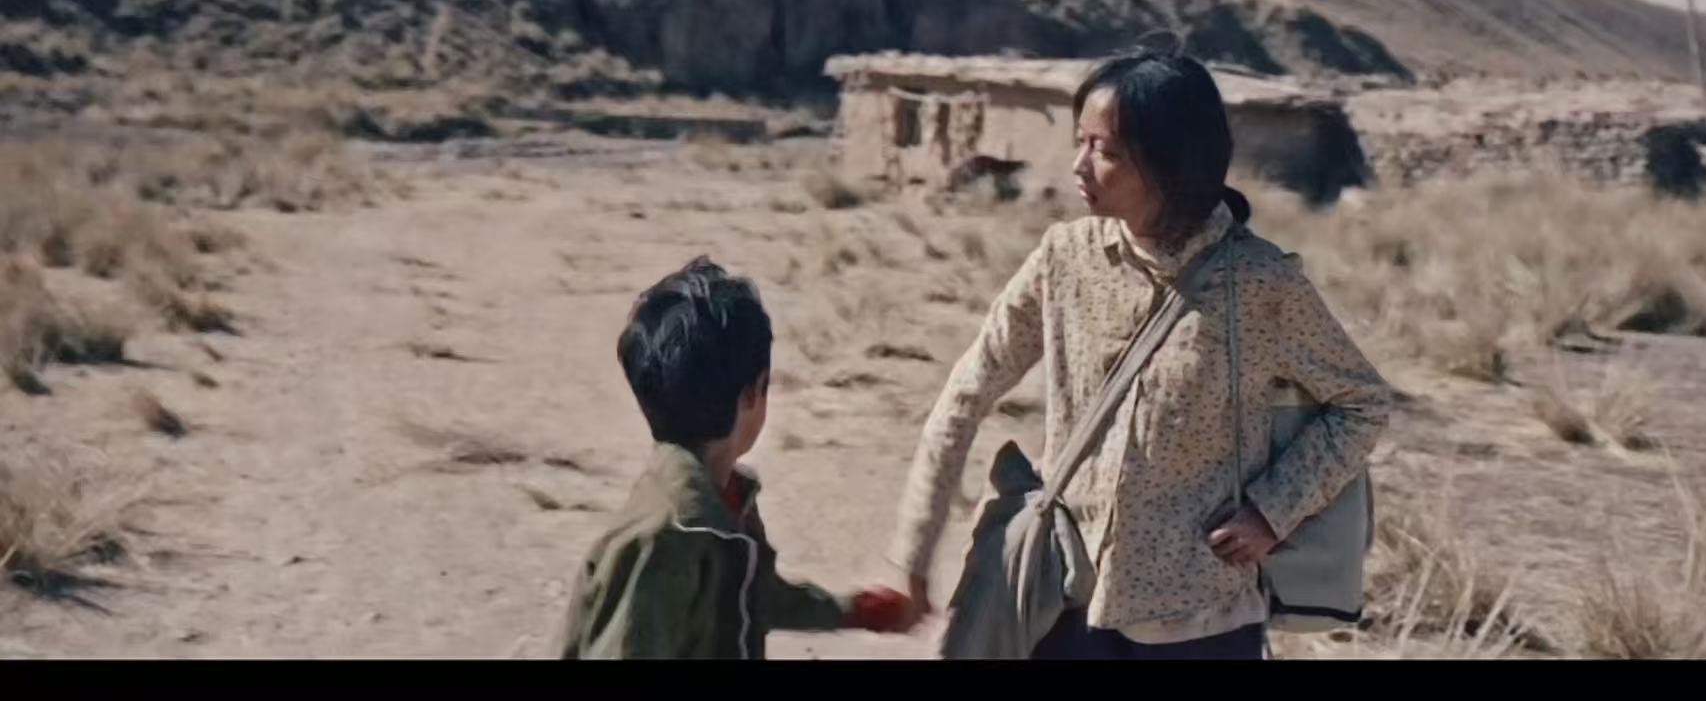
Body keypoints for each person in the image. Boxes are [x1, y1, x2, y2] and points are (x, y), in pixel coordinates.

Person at [888, 49, 1398, 660]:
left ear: (1172, 162)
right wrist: (914, 550)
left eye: (1104, 150)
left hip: (1199, 620)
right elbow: (966, 394)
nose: (1079, 164)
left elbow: (1359, 404)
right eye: (1079, 142)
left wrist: (1273, 512)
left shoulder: (1259, 283)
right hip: (1066, 602)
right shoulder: (1063, 258)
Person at [559, 256, 917, 659]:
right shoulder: (669, 537)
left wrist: (850, 611)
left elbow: (750, 599)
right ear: (752, 393)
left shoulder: (722, 501)